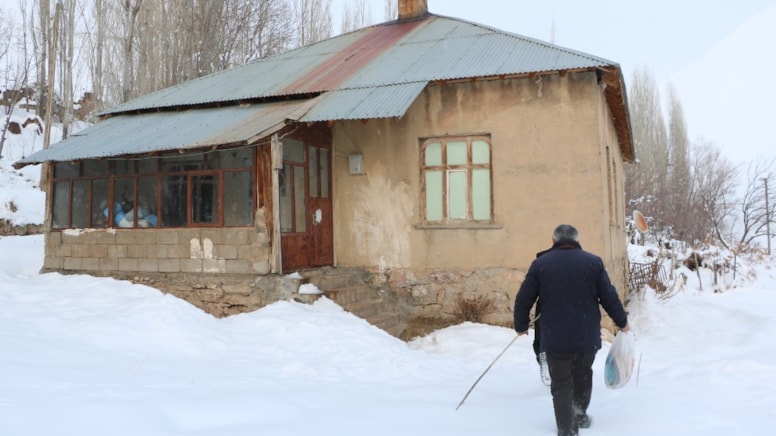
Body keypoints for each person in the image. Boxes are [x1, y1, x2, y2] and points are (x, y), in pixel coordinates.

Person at [514, 224, 629, 436]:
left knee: (561, 383)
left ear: (553, 241)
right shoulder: (593, 263)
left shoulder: (541, 264)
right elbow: (609, 297)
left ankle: (566, 429)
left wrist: (521, 325)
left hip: (555, 336)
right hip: (586, 336)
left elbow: (523, 299)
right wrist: (622, 322)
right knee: (583, 374)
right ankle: (580, 415)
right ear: (577, 240)